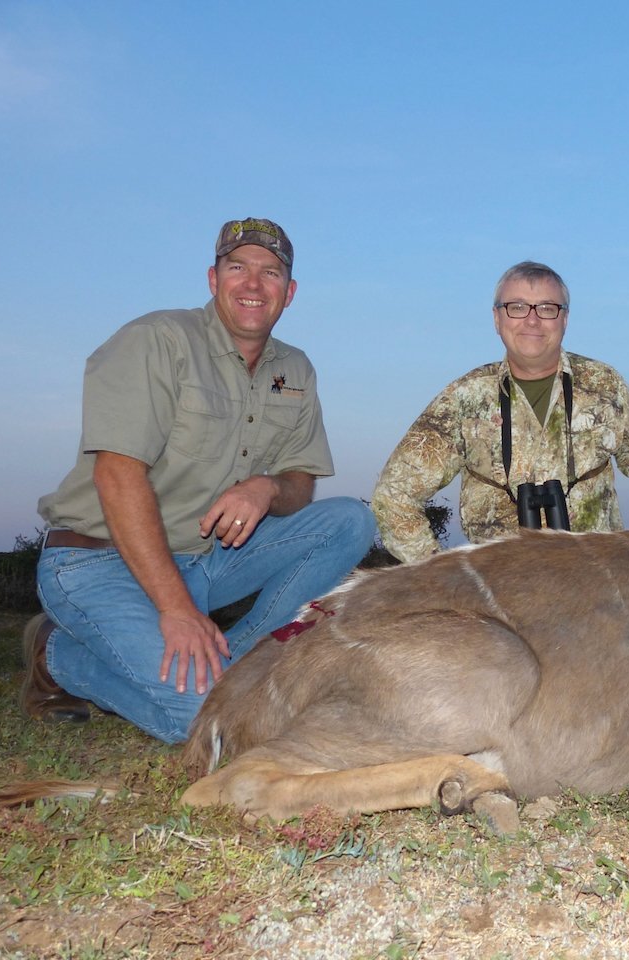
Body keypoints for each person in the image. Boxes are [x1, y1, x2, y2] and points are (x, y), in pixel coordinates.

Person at [26, 218, 377, 743]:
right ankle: (56, 655)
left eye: (271, 272)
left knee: (351, 520)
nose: (254, 284)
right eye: (238, 268)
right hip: (96, 562)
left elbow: (300, 482)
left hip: (205, 560)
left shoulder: (295, 369)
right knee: (209, 724)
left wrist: (267, 487)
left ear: (290, 291)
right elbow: (116, 478)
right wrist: (177, 611)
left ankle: (237, 664)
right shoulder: (155, 340)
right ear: (214, 279)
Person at [372, 260, 629, 561]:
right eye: (517, 307)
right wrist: (442, 577)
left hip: (596, 582)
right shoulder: (463, 397)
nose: (532, 320)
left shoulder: (604, 384)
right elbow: (394, 494)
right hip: (498, 594)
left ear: (565, 319)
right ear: (497, 318)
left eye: (547, 308)